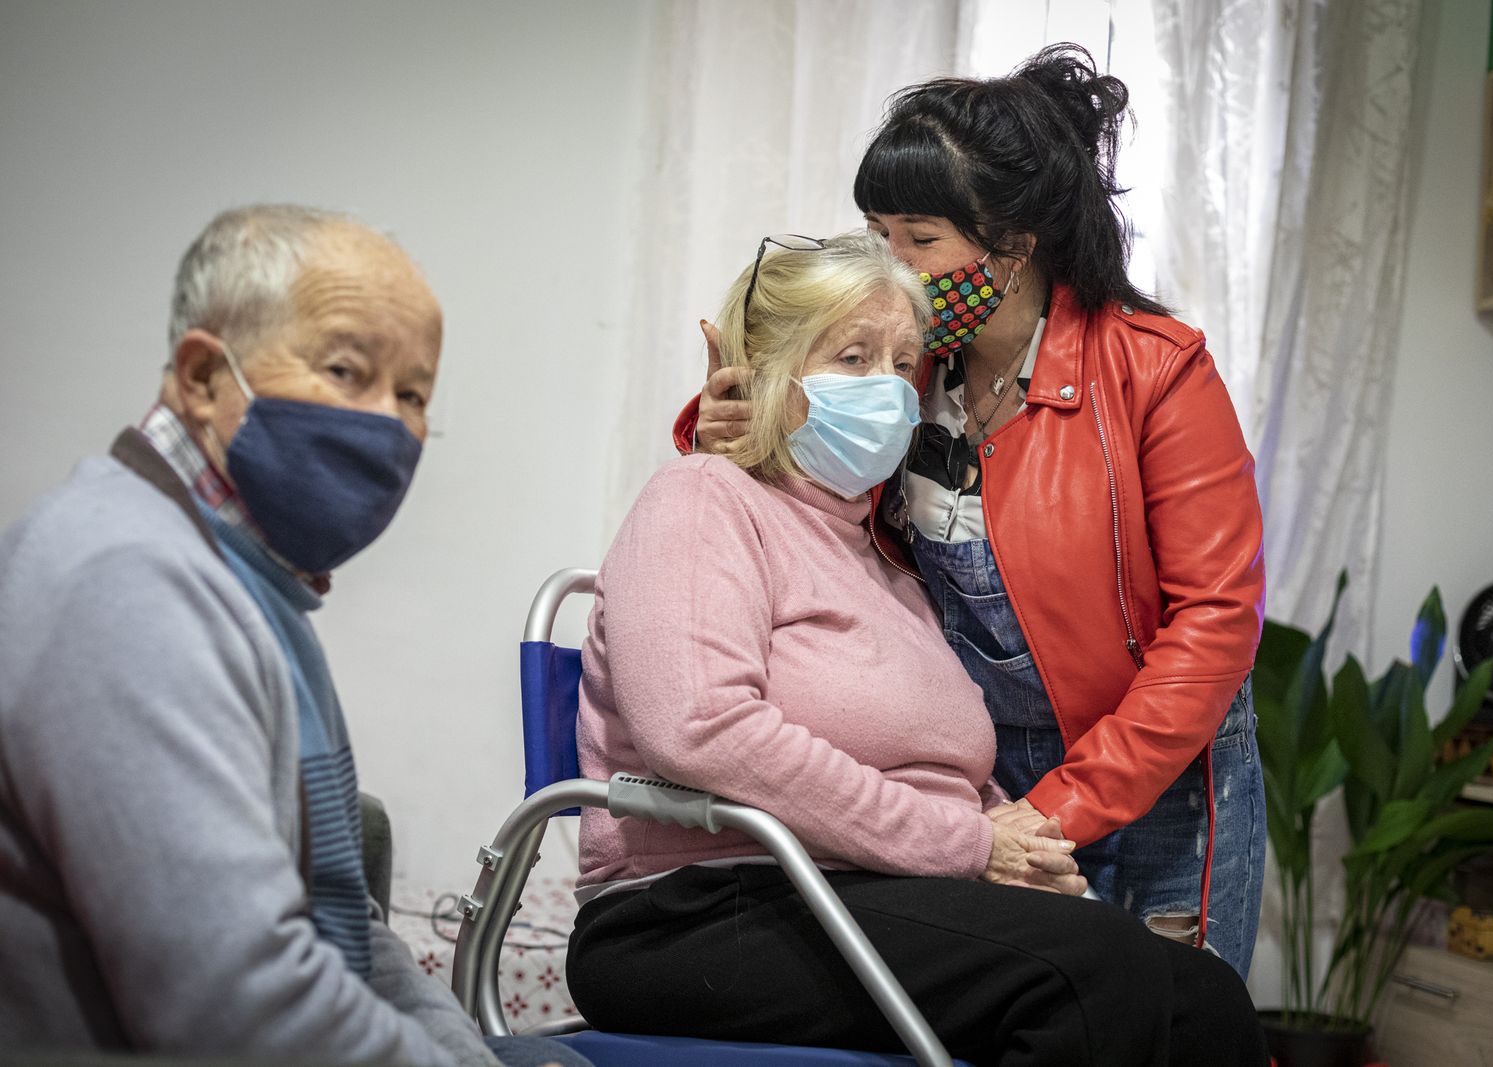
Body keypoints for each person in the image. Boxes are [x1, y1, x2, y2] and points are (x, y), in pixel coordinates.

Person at [566, 231, 1267, 1067]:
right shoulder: (704, 500)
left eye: (904, 365)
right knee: (1090, 970)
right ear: (769, 371)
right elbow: (699, 726)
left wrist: (1015, 851)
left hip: (864, 891)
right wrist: (972, 845)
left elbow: (944, 772)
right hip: (701, 906)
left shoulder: (884, 555)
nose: (887, 392)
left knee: (1204, 996)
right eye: (852, 356)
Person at [681, 45, 1267, 974]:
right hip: (975, 782)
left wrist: (1059, 807)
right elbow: (800, 514)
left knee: (1169, 1018)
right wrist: (723, 419)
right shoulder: (897, 371)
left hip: (1157, 776)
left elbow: (1217, 620)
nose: (892, 266)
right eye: (876, 234)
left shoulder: (1157, 368)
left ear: (1014, 247)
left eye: (919, 239)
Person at [0, 205, 587, 1067]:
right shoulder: (123, 578)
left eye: (415, 394)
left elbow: (346, 922)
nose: (388, 423)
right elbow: (240, 1007)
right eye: (347, 370)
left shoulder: (248, 578)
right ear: (203, 377)